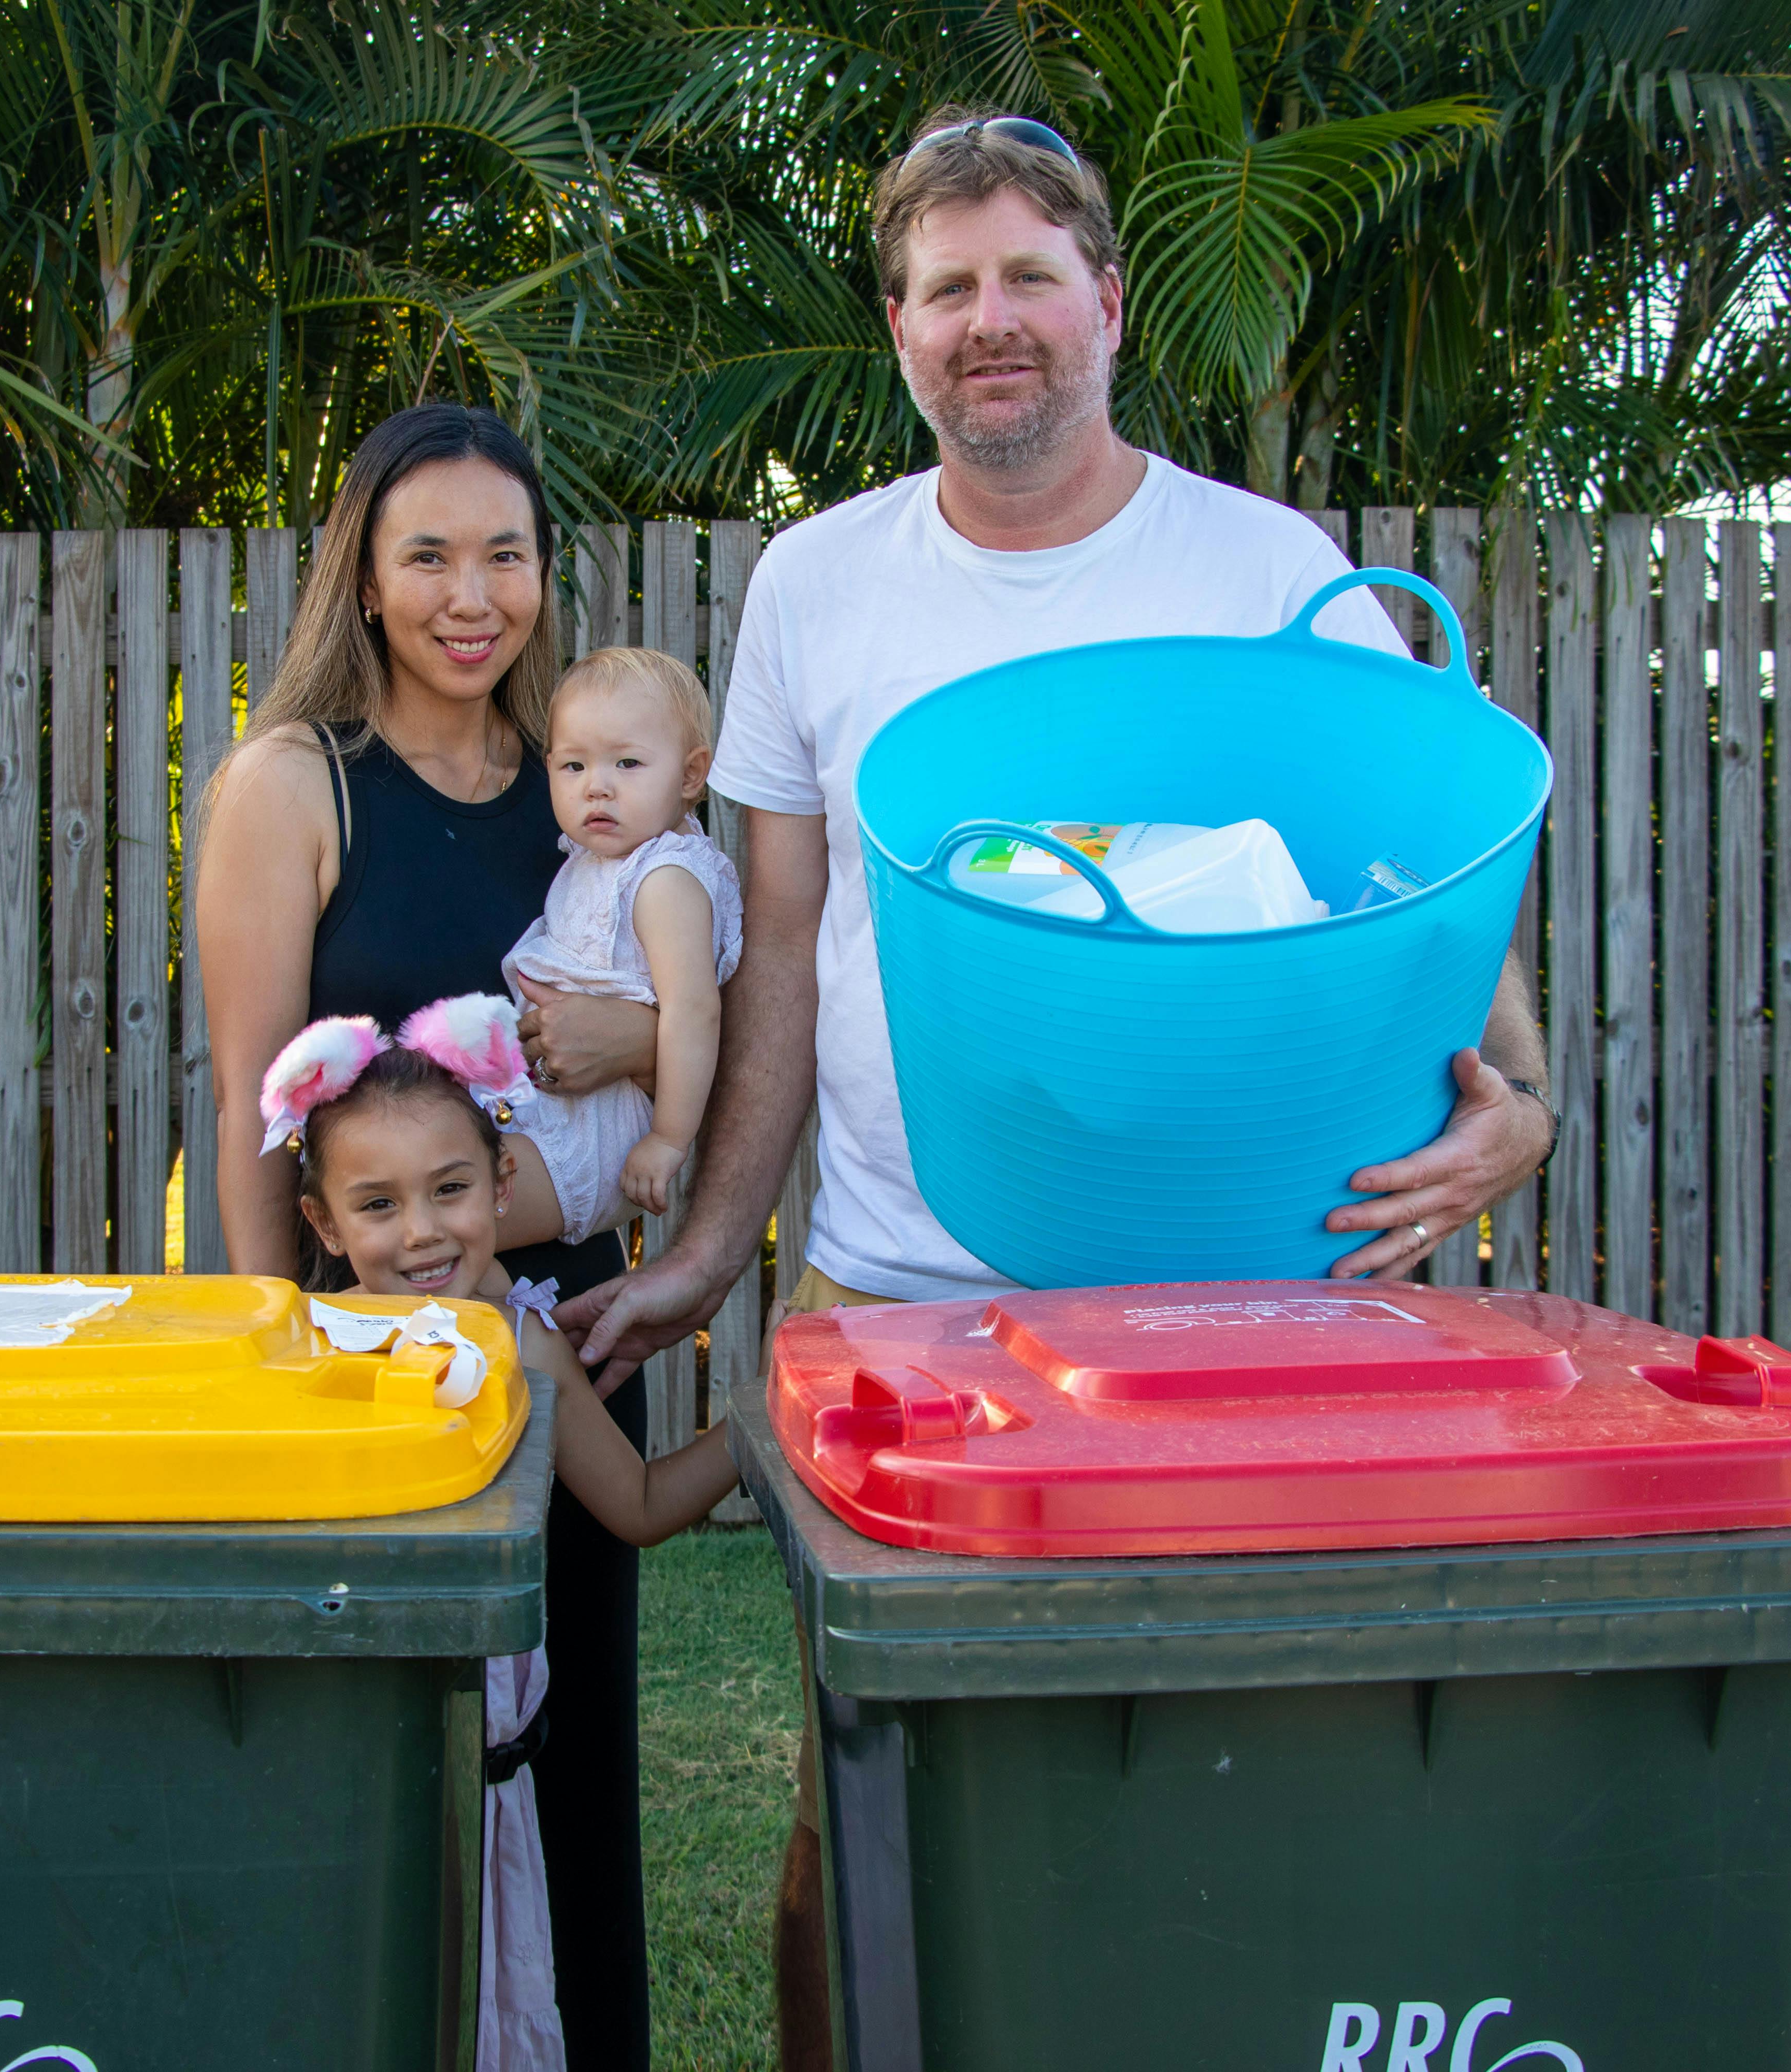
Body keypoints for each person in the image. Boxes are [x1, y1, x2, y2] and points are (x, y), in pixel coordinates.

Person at [548, 110, 1559, 2069]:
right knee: (865, 1823)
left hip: (1235, 1306)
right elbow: (782, 962)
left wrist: (1513, 1093)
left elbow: (1417, 874)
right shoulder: (817, 585)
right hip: (897, 1294)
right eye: (946, 288)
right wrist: (706, 1252)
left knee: (1217, 1795)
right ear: (898, 329)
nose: (987, 320)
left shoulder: (1259, 567)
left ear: (1106, 300)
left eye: (1027, 275)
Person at [193, 401, 660, 2067]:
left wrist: (635, 1042)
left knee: (571, 1764)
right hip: (366, 1360)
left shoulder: (582, 795)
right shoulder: (292, 784)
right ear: (366, 576)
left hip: (561, 1341)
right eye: (430, 557)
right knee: (388, 1772)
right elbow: (250, 1105)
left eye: (506, 555)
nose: (473, 596)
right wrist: (278, 1356)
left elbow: (693, 1015)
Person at [262, 999, 738, 2072]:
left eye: (451, 1189)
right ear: (325, 1224)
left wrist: (757, 1427)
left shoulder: (527, 1344)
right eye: (378, 1204)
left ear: (503, 1185)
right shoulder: (307, 1357)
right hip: (339, 1731)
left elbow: (640, 1505)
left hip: (482, 1761)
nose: (422, 1232)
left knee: (474, 1999)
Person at [497, 648, 744, 1243]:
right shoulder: (599, 858)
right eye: (574, 766)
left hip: (597, 1131)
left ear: (691, 775)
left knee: (443, 1215)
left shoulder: (664, 879)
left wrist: (668, 1139)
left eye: (627, 763)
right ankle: (497, 1293)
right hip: (550, 1105)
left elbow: (694, 1011)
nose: (597, 787)